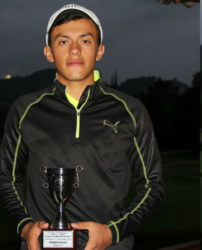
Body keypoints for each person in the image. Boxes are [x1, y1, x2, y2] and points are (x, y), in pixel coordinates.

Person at [0, 4, 164, 250]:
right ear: (48, 51)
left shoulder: (131, 110)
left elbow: (153, 186)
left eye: (85, 41)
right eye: (63, 42)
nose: (75, 50)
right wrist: (25, 226)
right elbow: (6, 178)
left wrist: (112, 232)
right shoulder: (24, 110)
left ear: (100, 51)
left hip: (112, 245)